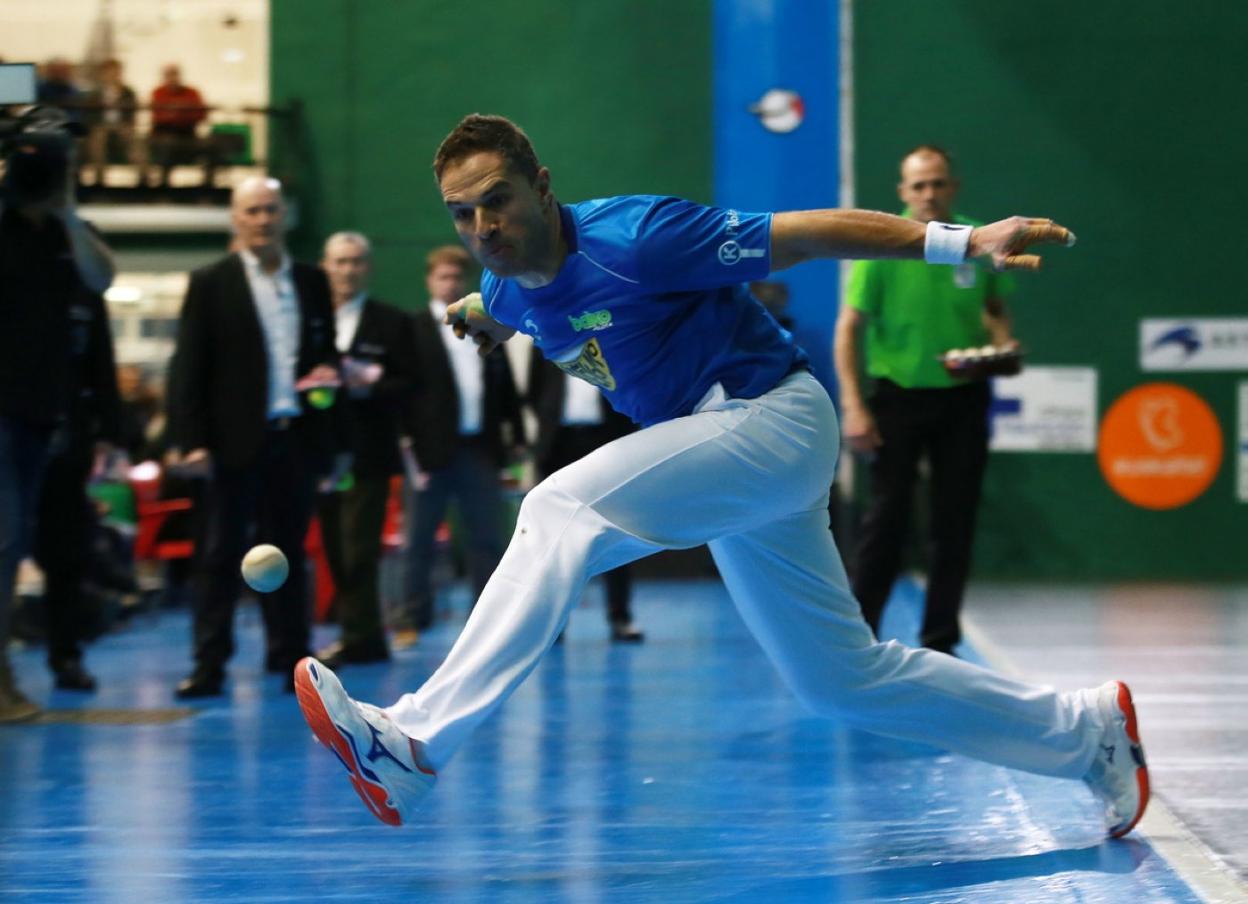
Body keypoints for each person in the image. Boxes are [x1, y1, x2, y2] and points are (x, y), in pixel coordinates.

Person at [293, 114, 1147, 841]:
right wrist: (479, 313)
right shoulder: (506, 285)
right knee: (841, 678)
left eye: (498, 201)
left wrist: (962, 241)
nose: (483, 226)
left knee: (558, 509)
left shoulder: (644, 236)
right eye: (463, 213)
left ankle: (413, 741)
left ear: (542, 186)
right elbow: (517, 302)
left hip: (769, 415)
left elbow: (807, 232)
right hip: (730, 461)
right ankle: (1085, 733)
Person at [835, 145, 1017, 655]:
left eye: (937, 183)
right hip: (897, 402)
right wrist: (854, 405)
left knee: (954, 523)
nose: (929, 194)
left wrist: (1000, 345)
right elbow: (848, 329)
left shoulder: (980, 241)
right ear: (903, 193)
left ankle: (940, 643)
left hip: (963, 401)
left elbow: (995, 308)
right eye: (918, 185)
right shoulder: (882, 246)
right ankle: (857, 640)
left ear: (952, 187)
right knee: (886, 522)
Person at [167, 176, 344, 698]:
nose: (262, 220)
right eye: (252, 211)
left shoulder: (312, 282)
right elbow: (188, 367)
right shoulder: (210, 282)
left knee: (288, 553)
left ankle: (290, 659)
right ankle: (209, 664)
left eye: (270, 210)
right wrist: (190, 439)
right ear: (235, 220)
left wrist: (328, 394)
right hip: (230, 443)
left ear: (284, 216)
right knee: (220, 556)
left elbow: (325, 355)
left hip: (296, 439)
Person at [1, 118, 115, 720]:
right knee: (4, 540)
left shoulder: (67, 239)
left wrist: (67, 209)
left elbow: (102, 279)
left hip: (42, 416)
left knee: (20, 541)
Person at [395, 245, 525, 639]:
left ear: (465, 282)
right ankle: (412, 619)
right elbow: (403, 391)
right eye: (442, 276)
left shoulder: (484, 326)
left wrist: (516, 435)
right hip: (429, 452)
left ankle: (486, 622)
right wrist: (406, 444)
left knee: (487, 538)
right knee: (419, 540)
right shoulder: (413, 328)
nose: (450, 282)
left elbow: (504, 388)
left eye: (456, 276)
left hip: (480, 450)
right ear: (429, 281)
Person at [314, 231, 417, 667]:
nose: (348, 270)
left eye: (356, 262)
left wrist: (371, 382)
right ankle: (366, 637)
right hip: (318, 453)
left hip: (368, 454)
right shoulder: (309, 320)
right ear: (325, 266)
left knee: (359, 550)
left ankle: (359, 636)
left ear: (368, 268)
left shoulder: (391, 323)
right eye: (340, 262)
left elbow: (412, 385)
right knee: (335, 548)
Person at [32, 256, 125, 692]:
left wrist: (108, 429)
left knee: (66, 556)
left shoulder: (83, 277)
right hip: (12, 434)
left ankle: (66, 656)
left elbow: (101, 361)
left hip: (67, 442)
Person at [527, 350, 642, 642]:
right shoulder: (544, 334)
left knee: (616, 529)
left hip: (607, 440)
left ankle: (620, 616)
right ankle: (555, 623)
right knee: (553, 537)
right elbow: (533, 390)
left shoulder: (610, 332)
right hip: (558, 444)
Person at [147, 65, 209, 188]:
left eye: (175, 74)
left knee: (210, 145)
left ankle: (207, 188)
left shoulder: (192, 92)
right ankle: (164, 185)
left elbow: (200, 114)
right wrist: (182, 112)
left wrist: (174, 113)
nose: (172, 78)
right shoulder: (158, 92)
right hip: (163, 134)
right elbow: (158, 116)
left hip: (188, 133)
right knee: (166, 145)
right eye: (169, 75)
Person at [83, 59, 138, 185]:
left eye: (116, 72)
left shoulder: (128, 92)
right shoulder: (95, 93)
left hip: (122, 126)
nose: (113, 75)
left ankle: (143, 180)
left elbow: (132, 113)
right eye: (110, 72)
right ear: (103, 74)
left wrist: (128, 125)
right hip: (100, 127)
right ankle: (99, 179)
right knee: (97, 138)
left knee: (135, 140)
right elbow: (90, 115)